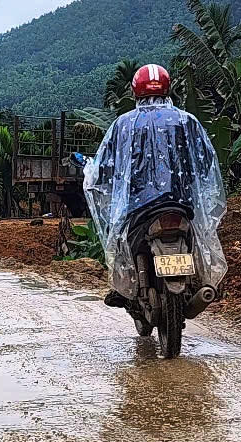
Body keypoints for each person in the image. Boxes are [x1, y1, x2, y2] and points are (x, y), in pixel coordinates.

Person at [83, 64, 227, 308]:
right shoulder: (186, 120)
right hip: (181, 205)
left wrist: (92, 175)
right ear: (167, 88)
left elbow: (105, 167)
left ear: (134, 91)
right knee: (199, 241)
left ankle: (124, 285)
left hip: (139, 209)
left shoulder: (123, 124)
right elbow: (206, 163)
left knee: (121, 243)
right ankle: (201, 282)